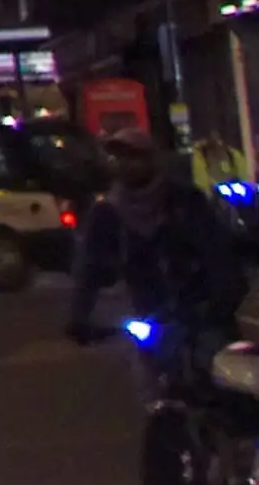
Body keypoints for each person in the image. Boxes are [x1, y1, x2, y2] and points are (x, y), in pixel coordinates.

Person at [66, 128, 248, 395]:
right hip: (152, 314)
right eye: (119, 158)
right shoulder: (108, 213)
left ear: (152, 160)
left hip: (201, 309)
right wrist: (78, 318)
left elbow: (217, 251)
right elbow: (88, 267)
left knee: (225, 382)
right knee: (156, 387)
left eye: (134, 157)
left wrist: (222, 298)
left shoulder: (185, 200)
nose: (127, 165)